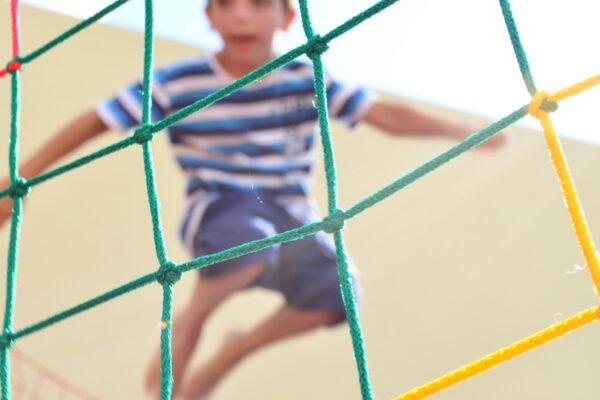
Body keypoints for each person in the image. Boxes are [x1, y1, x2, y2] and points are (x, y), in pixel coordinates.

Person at [0, 0, 506, 398]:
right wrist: (17, 183)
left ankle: (232, 351)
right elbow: (96, 120)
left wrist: (462, 131)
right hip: (221, 207)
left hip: (291, 215)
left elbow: (384, 115)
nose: (241, 12)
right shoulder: (178, 82)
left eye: (259, 2)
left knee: (344, 291)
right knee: (249, 237)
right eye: (227, 2)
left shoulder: (304, 77)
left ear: (286, 16)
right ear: (210, 16)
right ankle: (192, 318)